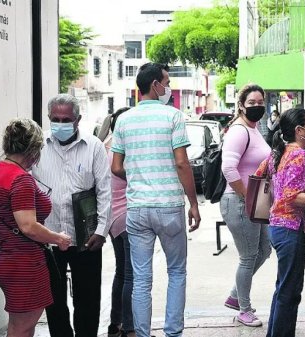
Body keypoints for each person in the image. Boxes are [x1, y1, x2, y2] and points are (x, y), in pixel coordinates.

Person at [0, 94, 112, 337]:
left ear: (78, 119)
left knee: (88, 299)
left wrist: (101, 230)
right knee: (53, 303)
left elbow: (105, 191)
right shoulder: (37, 145)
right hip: (46, 240)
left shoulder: (94, 147)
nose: (60, 123)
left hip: (85, 239)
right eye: (55, 119)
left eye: (66, 119)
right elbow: (9, 170)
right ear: (48, 118)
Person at [110, 62, 201, 337]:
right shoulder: (172, 117)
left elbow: (116, 167)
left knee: (141, 279)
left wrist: (139, 177)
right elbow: (182, 163)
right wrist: (194, 203)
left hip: (136, 209)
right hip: (169, 207)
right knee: (176, 273)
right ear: (155, 85)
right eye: (167, 82)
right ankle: (173, 333)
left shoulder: (124, 120)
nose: (169, 88)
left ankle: (142, 333)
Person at [0, 118, 72, 337]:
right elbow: (28, 226)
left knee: (18, 325)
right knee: (23, 327)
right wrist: (58, 238)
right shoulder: (21, 180)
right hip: (25, 264)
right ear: (33, 149)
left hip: (5, 258)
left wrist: (7, 232)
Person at [255, 108, 305, 337]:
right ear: (299, 130)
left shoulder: (277, 154)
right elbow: (293, 195)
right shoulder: (299, 155)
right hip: (291, 229)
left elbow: (259, 173)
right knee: (290, 292)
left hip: (277, 226)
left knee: (283, 289)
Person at [220, 83, 272, 327]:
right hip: (239, 201)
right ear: (241, 105)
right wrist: (246, 196)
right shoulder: (239, 131)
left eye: (260, 102)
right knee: (248, 256)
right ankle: (243, 309)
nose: (257, 106)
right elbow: (228, 168)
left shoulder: (254, 128)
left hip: (255, 201)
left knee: (264, 251)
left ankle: (234, 295)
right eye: (252, 103)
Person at [105, 107, 135, 337]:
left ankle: (115, 324)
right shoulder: (122, 148)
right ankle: (129, 327)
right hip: (127, 216)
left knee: (122, 273)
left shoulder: (106, 145)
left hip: (113, 218)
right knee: (131, 274)